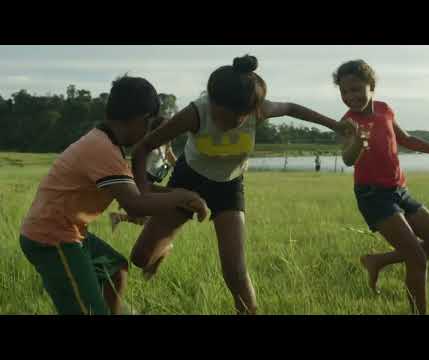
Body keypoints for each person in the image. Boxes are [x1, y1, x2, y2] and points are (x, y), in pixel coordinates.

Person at [130, 55, 354, 314]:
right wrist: (144, 193)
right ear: (211, 101)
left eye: (235, 119)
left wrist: (336, 125)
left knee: (235, 271)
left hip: (228, 186)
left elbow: (292, 108)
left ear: (249, 111)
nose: (226, 124)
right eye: (221, 117)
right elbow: (143, 148)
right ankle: (166, 245)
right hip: (188, 181)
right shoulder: (195, 113)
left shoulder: (258, 109)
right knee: (140, 258)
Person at [19, 76, 208, 315]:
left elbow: (137, 192)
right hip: (51, 238)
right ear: (144, 120)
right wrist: (182, 198)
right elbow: (135, 205)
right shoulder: (103, 150)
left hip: (70, 231)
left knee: (116, 269)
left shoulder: (105, 144)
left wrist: (183, 195)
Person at [336, 59, 429, 314]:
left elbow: (407, 139)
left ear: (371, 86)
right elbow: (347, 158)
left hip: (400, 191)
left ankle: (377, 260)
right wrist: (357, 141)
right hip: (373, 196)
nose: (350, 96)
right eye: (344, 91)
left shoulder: (384, 109)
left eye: (356, 89)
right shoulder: (347, 122)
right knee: (416, 258)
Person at [109, 116, 177, 232]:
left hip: (152, 182)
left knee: (151, 216)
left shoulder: (167, 143)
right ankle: (157, 241)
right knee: (152, 216)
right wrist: (130, 187)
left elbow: (171, 158)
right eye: (164, 126)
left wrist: (183, 169)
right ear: (156, 127)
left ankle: (119, 217)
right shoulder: (149, 141)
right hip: (141, 179)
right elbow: (136, 159)